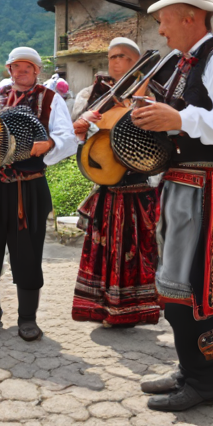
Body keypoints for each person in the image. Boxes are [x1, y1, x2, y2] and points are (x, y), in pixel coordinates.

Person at [131, 0, 213, 412]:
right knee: (175, 286)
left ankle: (205, 383)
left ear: (189, 16)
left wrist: (177, 116)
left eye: (164, 20)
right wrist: (158, 116)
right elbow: (194, 121)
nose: (160, 30)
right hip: (185, 185)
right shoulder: (188, 63)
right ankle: (190, 368)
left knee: (195, 288)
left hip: (208, 189)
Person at [0, 47, 77, 341]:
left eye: (28, 67)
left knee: (27, 253)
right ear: (9, 69)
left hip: (31, 185)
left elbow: (68, 138)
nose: (22, 71)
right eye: (17, 66)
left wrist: (48, 144)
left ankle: (27, 318)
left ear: (37, 70)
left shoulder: (51, 99)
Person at [71, 37, 160, 328]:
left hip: (139, 187)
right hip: (106, 187)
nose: (114, 62)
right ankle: (101, 309)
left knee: (138, 252)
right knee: (102, 250)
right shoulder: (94, 94)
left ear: (136, 63)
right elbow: (77, 136)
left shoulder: (153, 93)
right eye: (111, 57)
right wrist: (82, 125)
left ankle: (133, 311)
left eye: (121, 56)